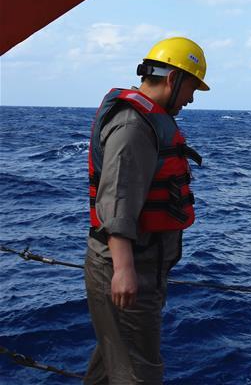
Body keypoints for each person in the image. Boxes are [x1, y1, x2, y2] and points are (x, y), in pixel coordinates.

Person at [84, 37, 209, 384]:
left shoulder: (146, 121)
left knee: (112, 365)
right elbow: (117, 201)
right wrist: (124, 270)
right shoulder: (133, 126)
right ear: (174, 79)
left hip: (142, 265)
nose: (191, 99)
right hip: (128, 268)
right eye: (192, 88)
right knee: (140, 374)